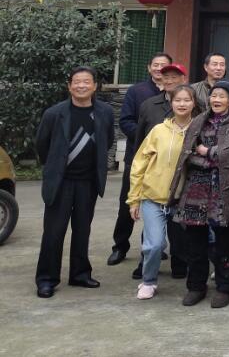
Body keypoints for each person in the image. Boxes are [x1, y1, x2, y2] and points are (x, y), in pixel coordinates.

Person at [35, 67, 116, 298]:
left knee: (82, 230)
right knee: (54, 232)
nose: (81, 86)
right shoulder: (54, 113)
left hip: (88, 182)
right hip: (61, 182)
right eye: (77, 82)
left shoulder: (105, 112)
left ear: (94, 86)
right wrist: (55, 167)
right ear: (69, 86)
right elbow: (42, 145)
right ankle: (47, 279)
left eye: (86, 81)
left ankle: (80, 274)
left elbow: (107, 140)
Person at [170, 79, 229, 308]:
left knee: (225, 243)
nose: (216, 100)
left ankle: (225, 287)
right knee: (195, 241)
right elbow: (188, 152)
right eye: (214, 96)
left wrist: (208, 152)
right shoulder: (199, 120)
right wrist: (208, 159)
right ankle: (196, 286)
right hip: (196, 186)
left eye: (222, 96)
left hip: (225, 190)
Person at [128, 85, 197, 300]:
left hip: (183, 200)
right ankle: (148, 281)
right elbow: (139, 164)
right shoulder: (158, 130)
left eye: (187, 100)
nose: (182, 104)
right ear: (171, 103)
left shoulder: (199, 130)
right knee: (155, 244)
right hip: (153, 197)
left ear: (194, 103)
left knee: (190, 245)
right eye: (178, 100)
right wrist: (134, 199)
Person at [109, 52, 172, 267]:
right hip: (137, 156)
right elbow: (126, 121)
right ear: (149, 68)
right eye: (156, 65)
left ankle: (153, 247)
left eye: (164, 65)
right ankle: (120, 246)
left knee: (158, 204)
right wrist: (149, 139)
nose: (159, 68)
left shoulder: (176, 94)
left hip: (164, 161)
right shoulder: (136, 91)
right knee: (128, 202)